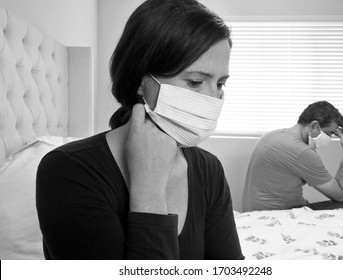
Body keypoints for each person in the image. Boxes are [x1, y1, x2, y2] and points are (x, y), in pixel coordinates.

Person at [36, 0, 243, 260]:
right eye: (195, 82)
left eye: (220, 84)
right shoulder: (68, 171)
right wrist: (149, 189)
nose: (214, 98)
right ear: (141, 82)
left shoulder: (209, 169)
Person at [242, 101, 343, 212]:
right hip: (280, 214)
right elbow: (340, 195)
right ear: (315, 126)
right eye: (329, 133)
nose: (329, 139)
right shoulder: (302, 152)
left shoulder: (272, 135)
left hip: (253, 212)